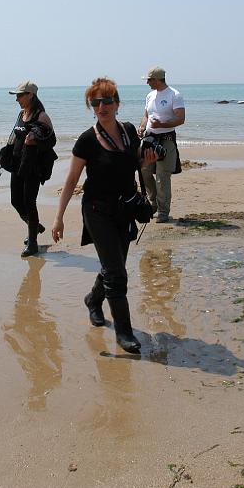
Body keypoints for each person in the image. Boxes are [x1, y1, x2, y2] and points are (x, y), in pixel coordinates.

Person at [51, 77, 158, 354]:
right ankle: (124, 333)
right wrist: (58, 217)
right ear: (91, 107)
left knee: (114, 267)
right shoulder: (87, 140)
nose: (102, 107)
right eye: (96, 102)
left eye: (107, 101)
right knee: (117, 274)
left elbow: (131, 161)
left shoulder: (129, 131)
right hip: (97, 211)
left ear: (117, 103)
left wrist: (145, 160)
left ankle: (93, 300)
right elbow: (71, 180)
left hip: (125, 208)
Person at [6, 81, 57, 257]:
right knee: (16, 201)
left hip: (33, 166)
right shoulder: (21, 114)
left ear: (31, 95)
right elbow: (14, 136)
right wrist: (5, 154)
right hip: (17, 164)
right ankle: (34, 227)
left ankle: (33, 243)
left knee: (29, 202)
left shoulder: (42, 116)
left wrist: (35, 140)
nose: (17, 99)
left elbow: (52, 141)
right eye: (16, 96)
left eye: (20, 95)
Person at [138, 66, 185, 222]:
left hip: (167, 139)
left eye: (149, 80)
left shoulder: (174, 95)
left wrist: (162, 125)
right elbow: (146, 115)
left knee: (162, 176)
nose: (147, 83)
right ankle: (153, 203)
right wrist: (142, 127)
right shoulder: (150, 95)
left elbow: (180, 119)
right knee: (144, 170)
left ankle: (163, 211)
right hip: (149, 138)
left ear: (158, 80)